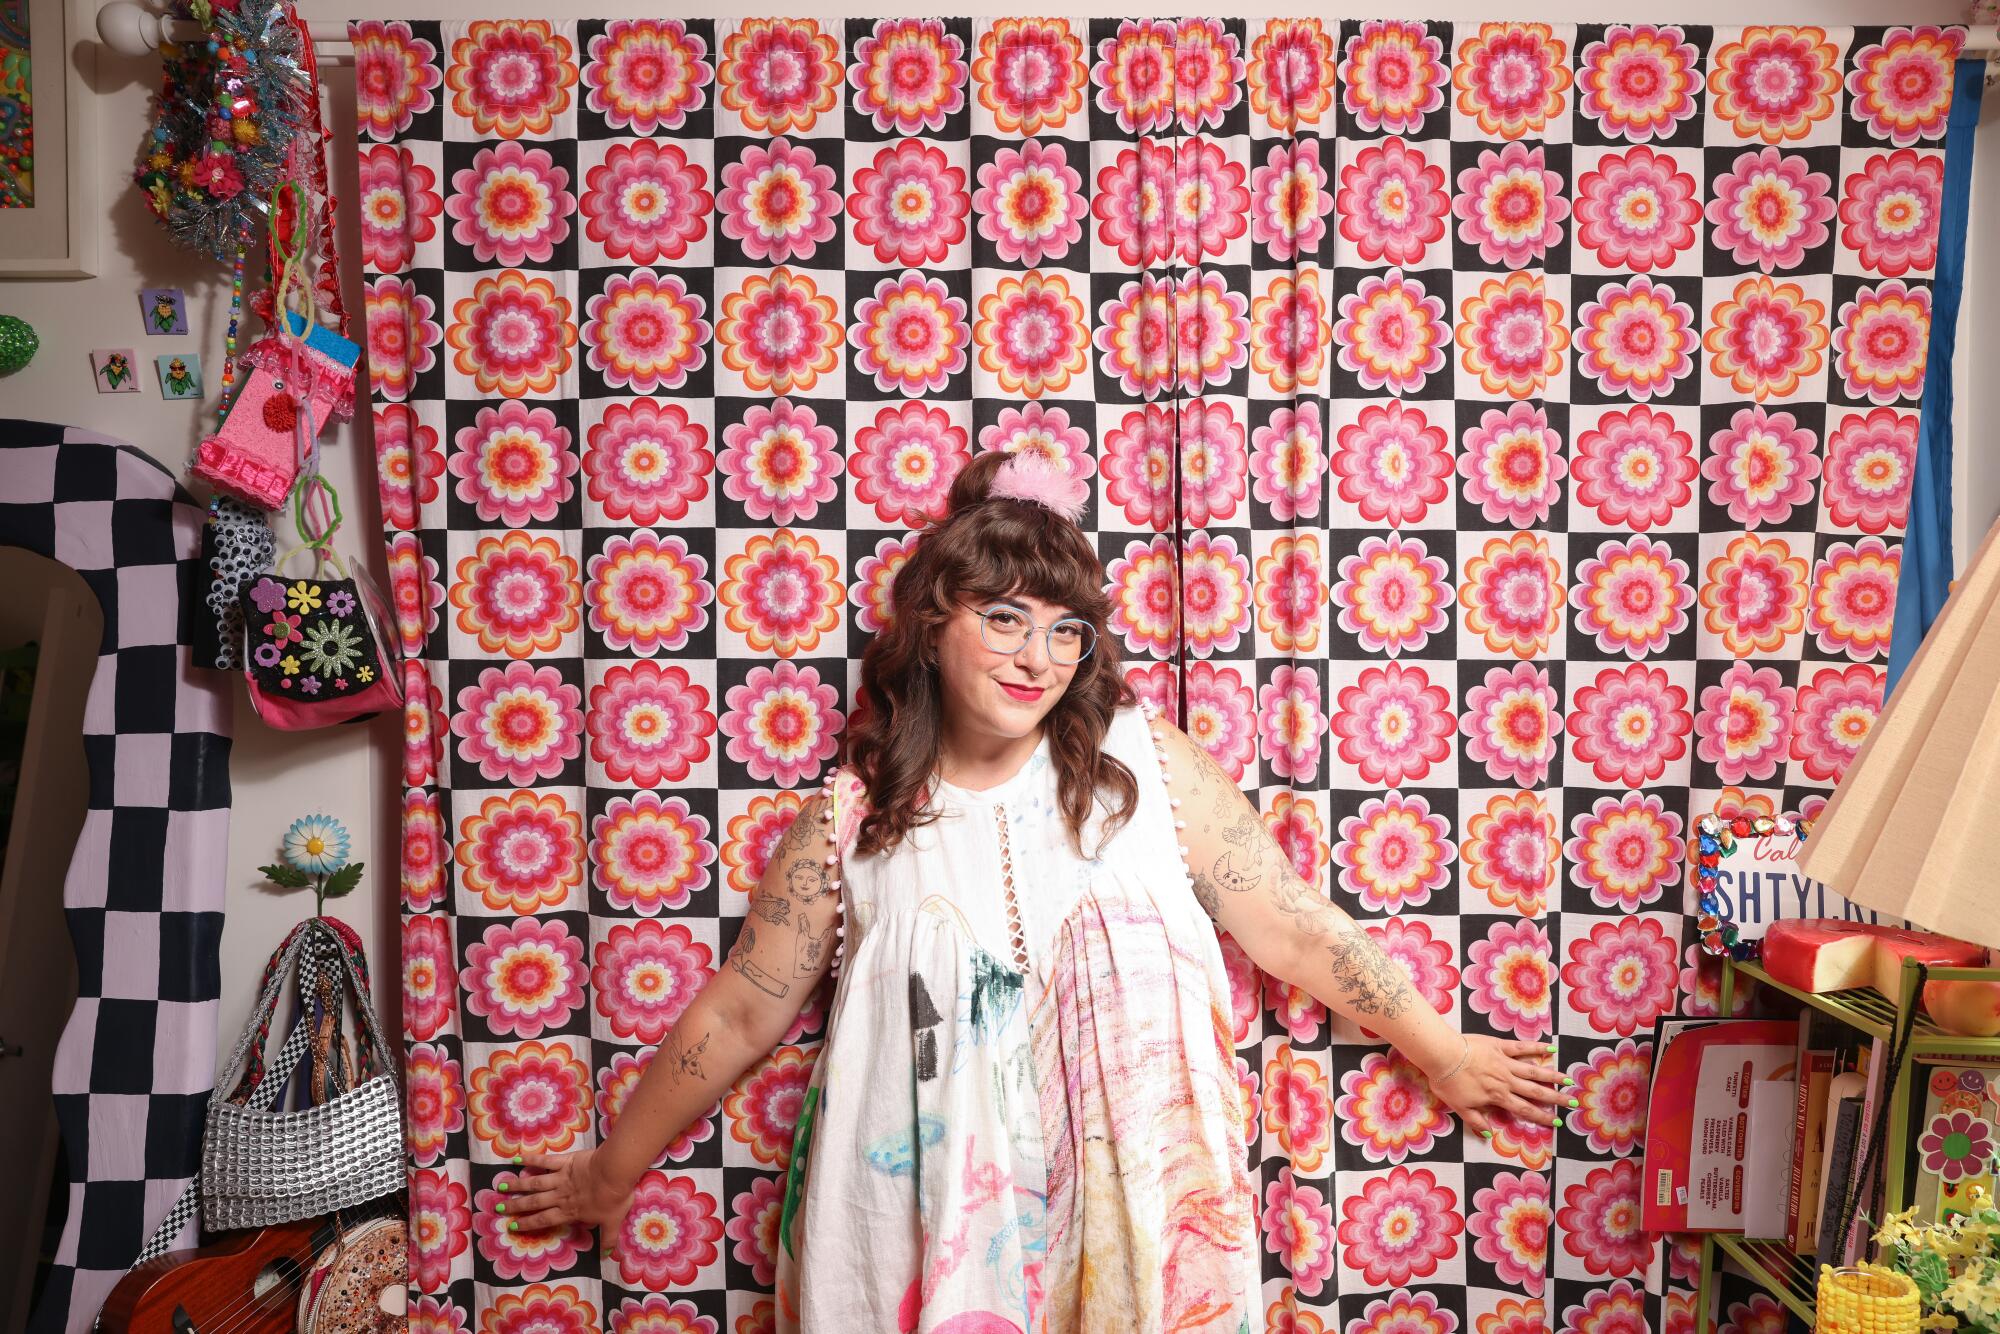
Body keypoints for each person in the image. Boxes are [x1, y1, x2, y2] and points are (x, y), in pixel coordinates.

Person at [507, 448, 1569, 1331]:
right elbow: (742, 1005)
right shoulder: (854, 814)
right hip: (925, 1238)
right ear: (931, 621)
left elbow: (1289, 923)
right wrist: (613, 1167)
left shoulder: (1145, 766)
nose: (1040, 656)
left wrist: (1441, 1046)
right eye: (1006, 618)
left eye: (1065, 627)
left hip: (1141, 1233)